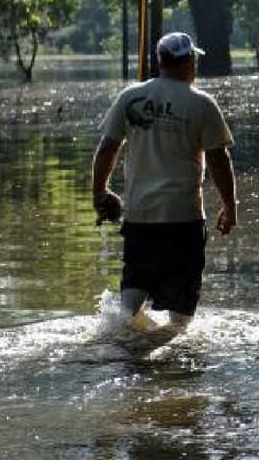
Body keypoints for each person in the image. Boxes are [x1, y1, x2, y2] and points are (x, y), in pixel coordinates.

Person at [90, 31, 236, 329]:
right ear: (190, 62)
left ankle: (118, 332)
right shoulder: (202, 104)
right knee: (181, 317)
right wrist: (229, 205)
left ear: (161, 62)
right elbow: (220, 160)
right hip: (183, 219)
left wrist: (100, 192)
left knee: (133, 287)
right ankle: (172, 359)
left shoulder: (131, 97)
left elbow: (107, 148)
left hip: (140, 216)